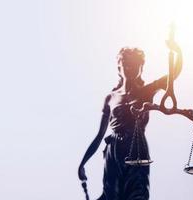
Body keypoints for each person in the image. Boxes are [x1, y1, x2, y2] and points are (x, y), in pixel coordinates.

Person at [78, 41, 182, 200]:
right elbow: (99, 136)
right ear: (119, 67)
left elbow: (173, 74)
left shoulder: (147, 91)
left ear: (142, 67)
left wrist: (177, 51)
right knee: (112, 194)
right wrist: (82, 163)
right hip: (114, 151)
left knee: (137, 192)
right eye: (126, 64)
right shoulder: (110, 98)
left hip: (136, 149)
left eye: (135, 64)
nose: (130, 68)